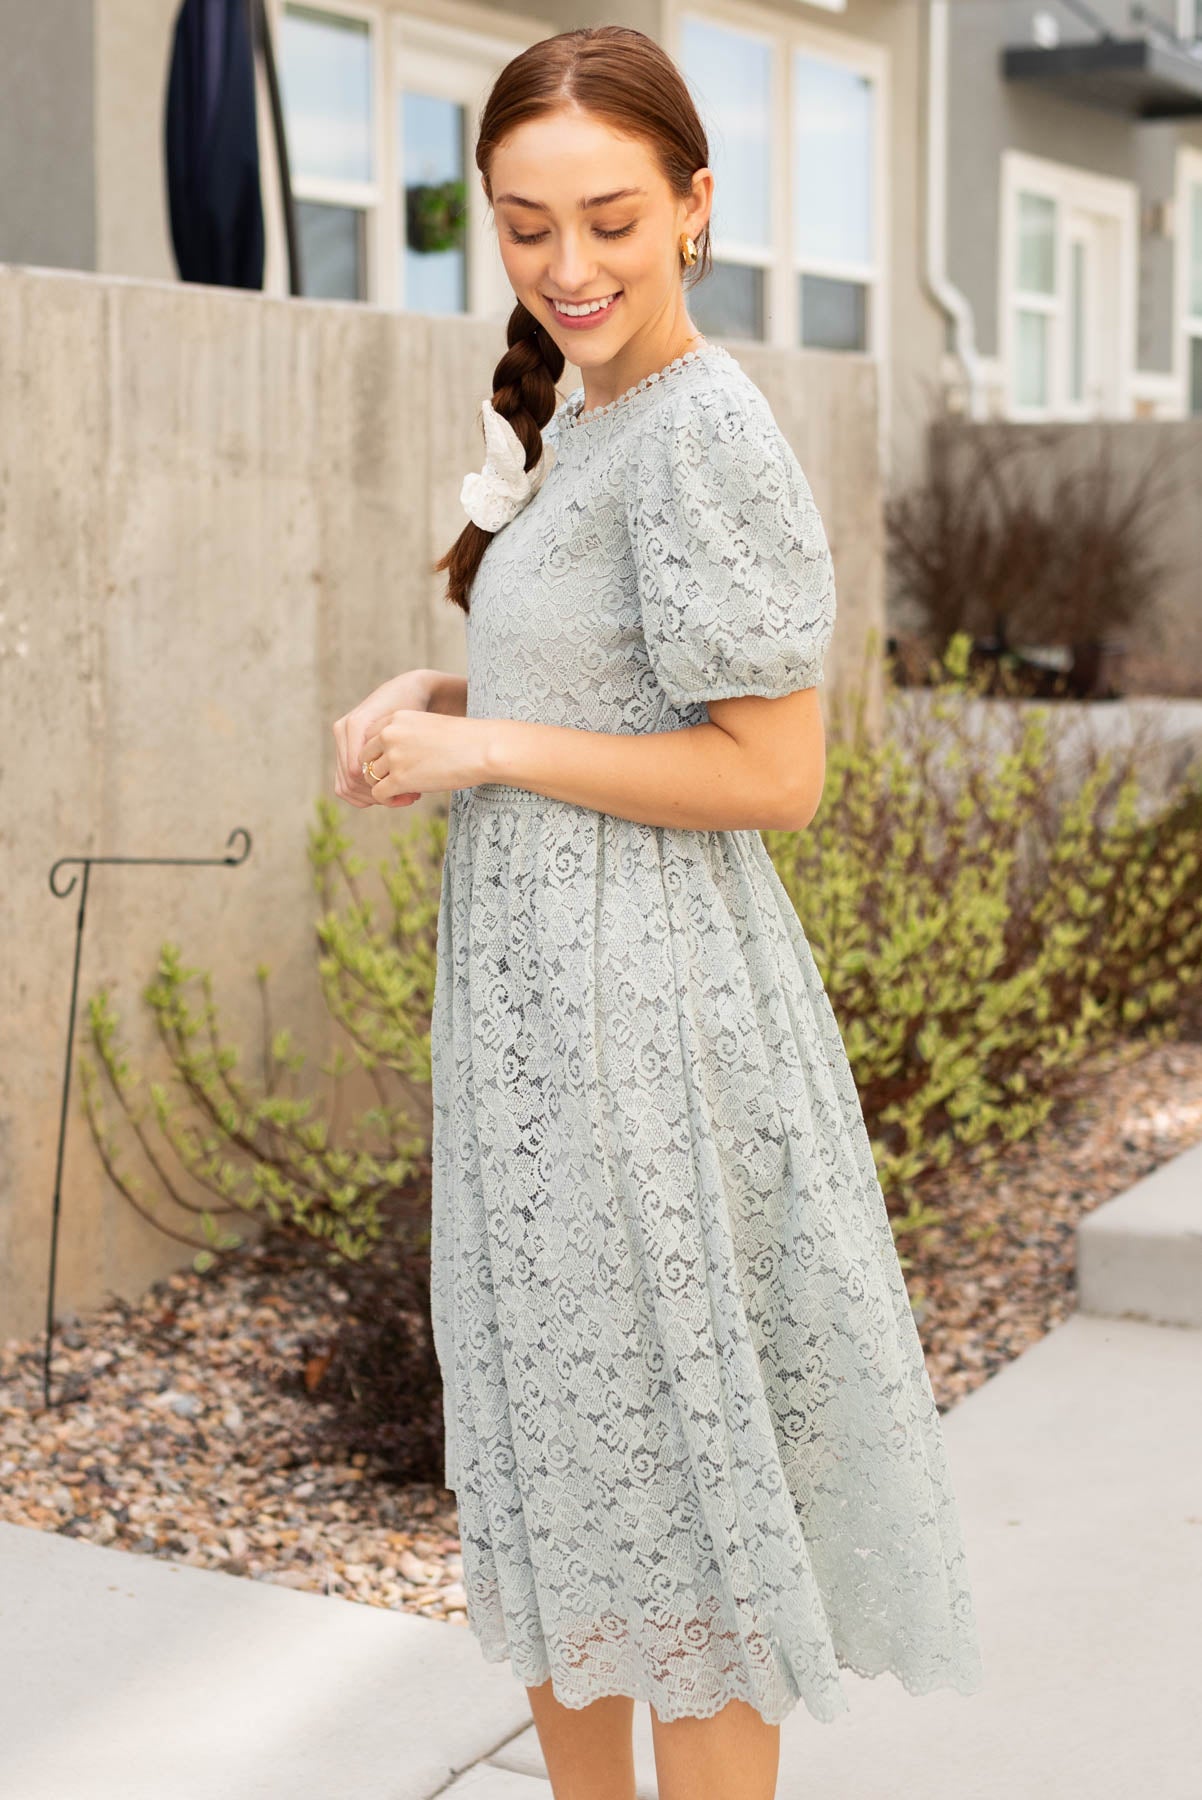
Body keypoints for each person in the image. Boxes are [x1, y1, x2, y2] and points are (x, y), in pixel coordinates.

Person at [331, 24, 984, 1800]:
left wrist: (490, 755)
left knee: (683, 1511)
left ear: (696, 207)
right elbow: (610, 702)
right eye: (526, 225)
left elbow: (774, 774)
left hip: (650, 1028)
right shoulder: (584, 414)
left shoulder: (706, 431)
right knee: (568, 1485)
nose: (567, 267)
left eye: (610, 219)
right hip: (541, 1026)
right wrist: (439, 706)